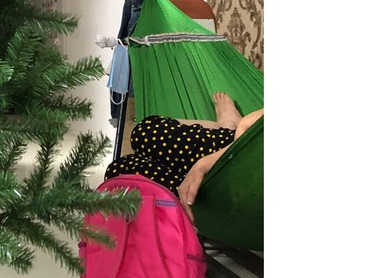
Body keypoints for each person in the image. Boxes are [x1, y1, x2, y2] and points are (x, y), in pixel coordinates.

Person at [104, 92, 263, 221]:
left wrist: (203, 165)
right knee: (143, 135)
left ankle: (228, 129)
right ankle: (229, 130)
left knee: (120, 171)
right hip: (239, 170)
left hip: (232, 187)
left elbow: (250, 125)